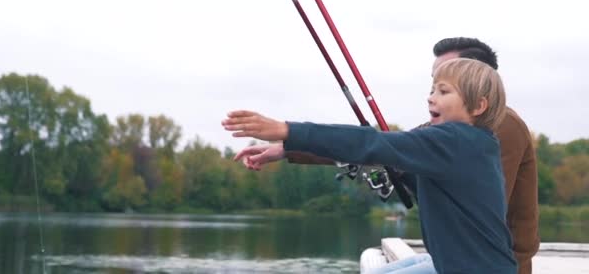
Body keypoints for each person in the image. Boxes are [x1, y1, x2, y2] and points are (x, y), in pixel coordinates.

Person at [222, 58, 517, 274]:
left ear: (478, 106)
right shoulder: (471, 145)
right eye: (432, 90)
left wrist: (288, 130)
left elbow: (371, 143)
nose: (430, 97)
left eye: (443, 91)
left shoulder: (455, 141)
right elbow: (384, 156)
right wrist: (288, 150)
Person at [432, 38, 539, 274]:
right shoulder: (454, 127)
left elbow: (479, 206)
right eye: (434, 80)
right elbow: (393, 145)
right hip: (458, 259)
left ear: (478, 78)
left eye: (446, 82)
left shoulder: (503, 125)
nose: (434, 92)